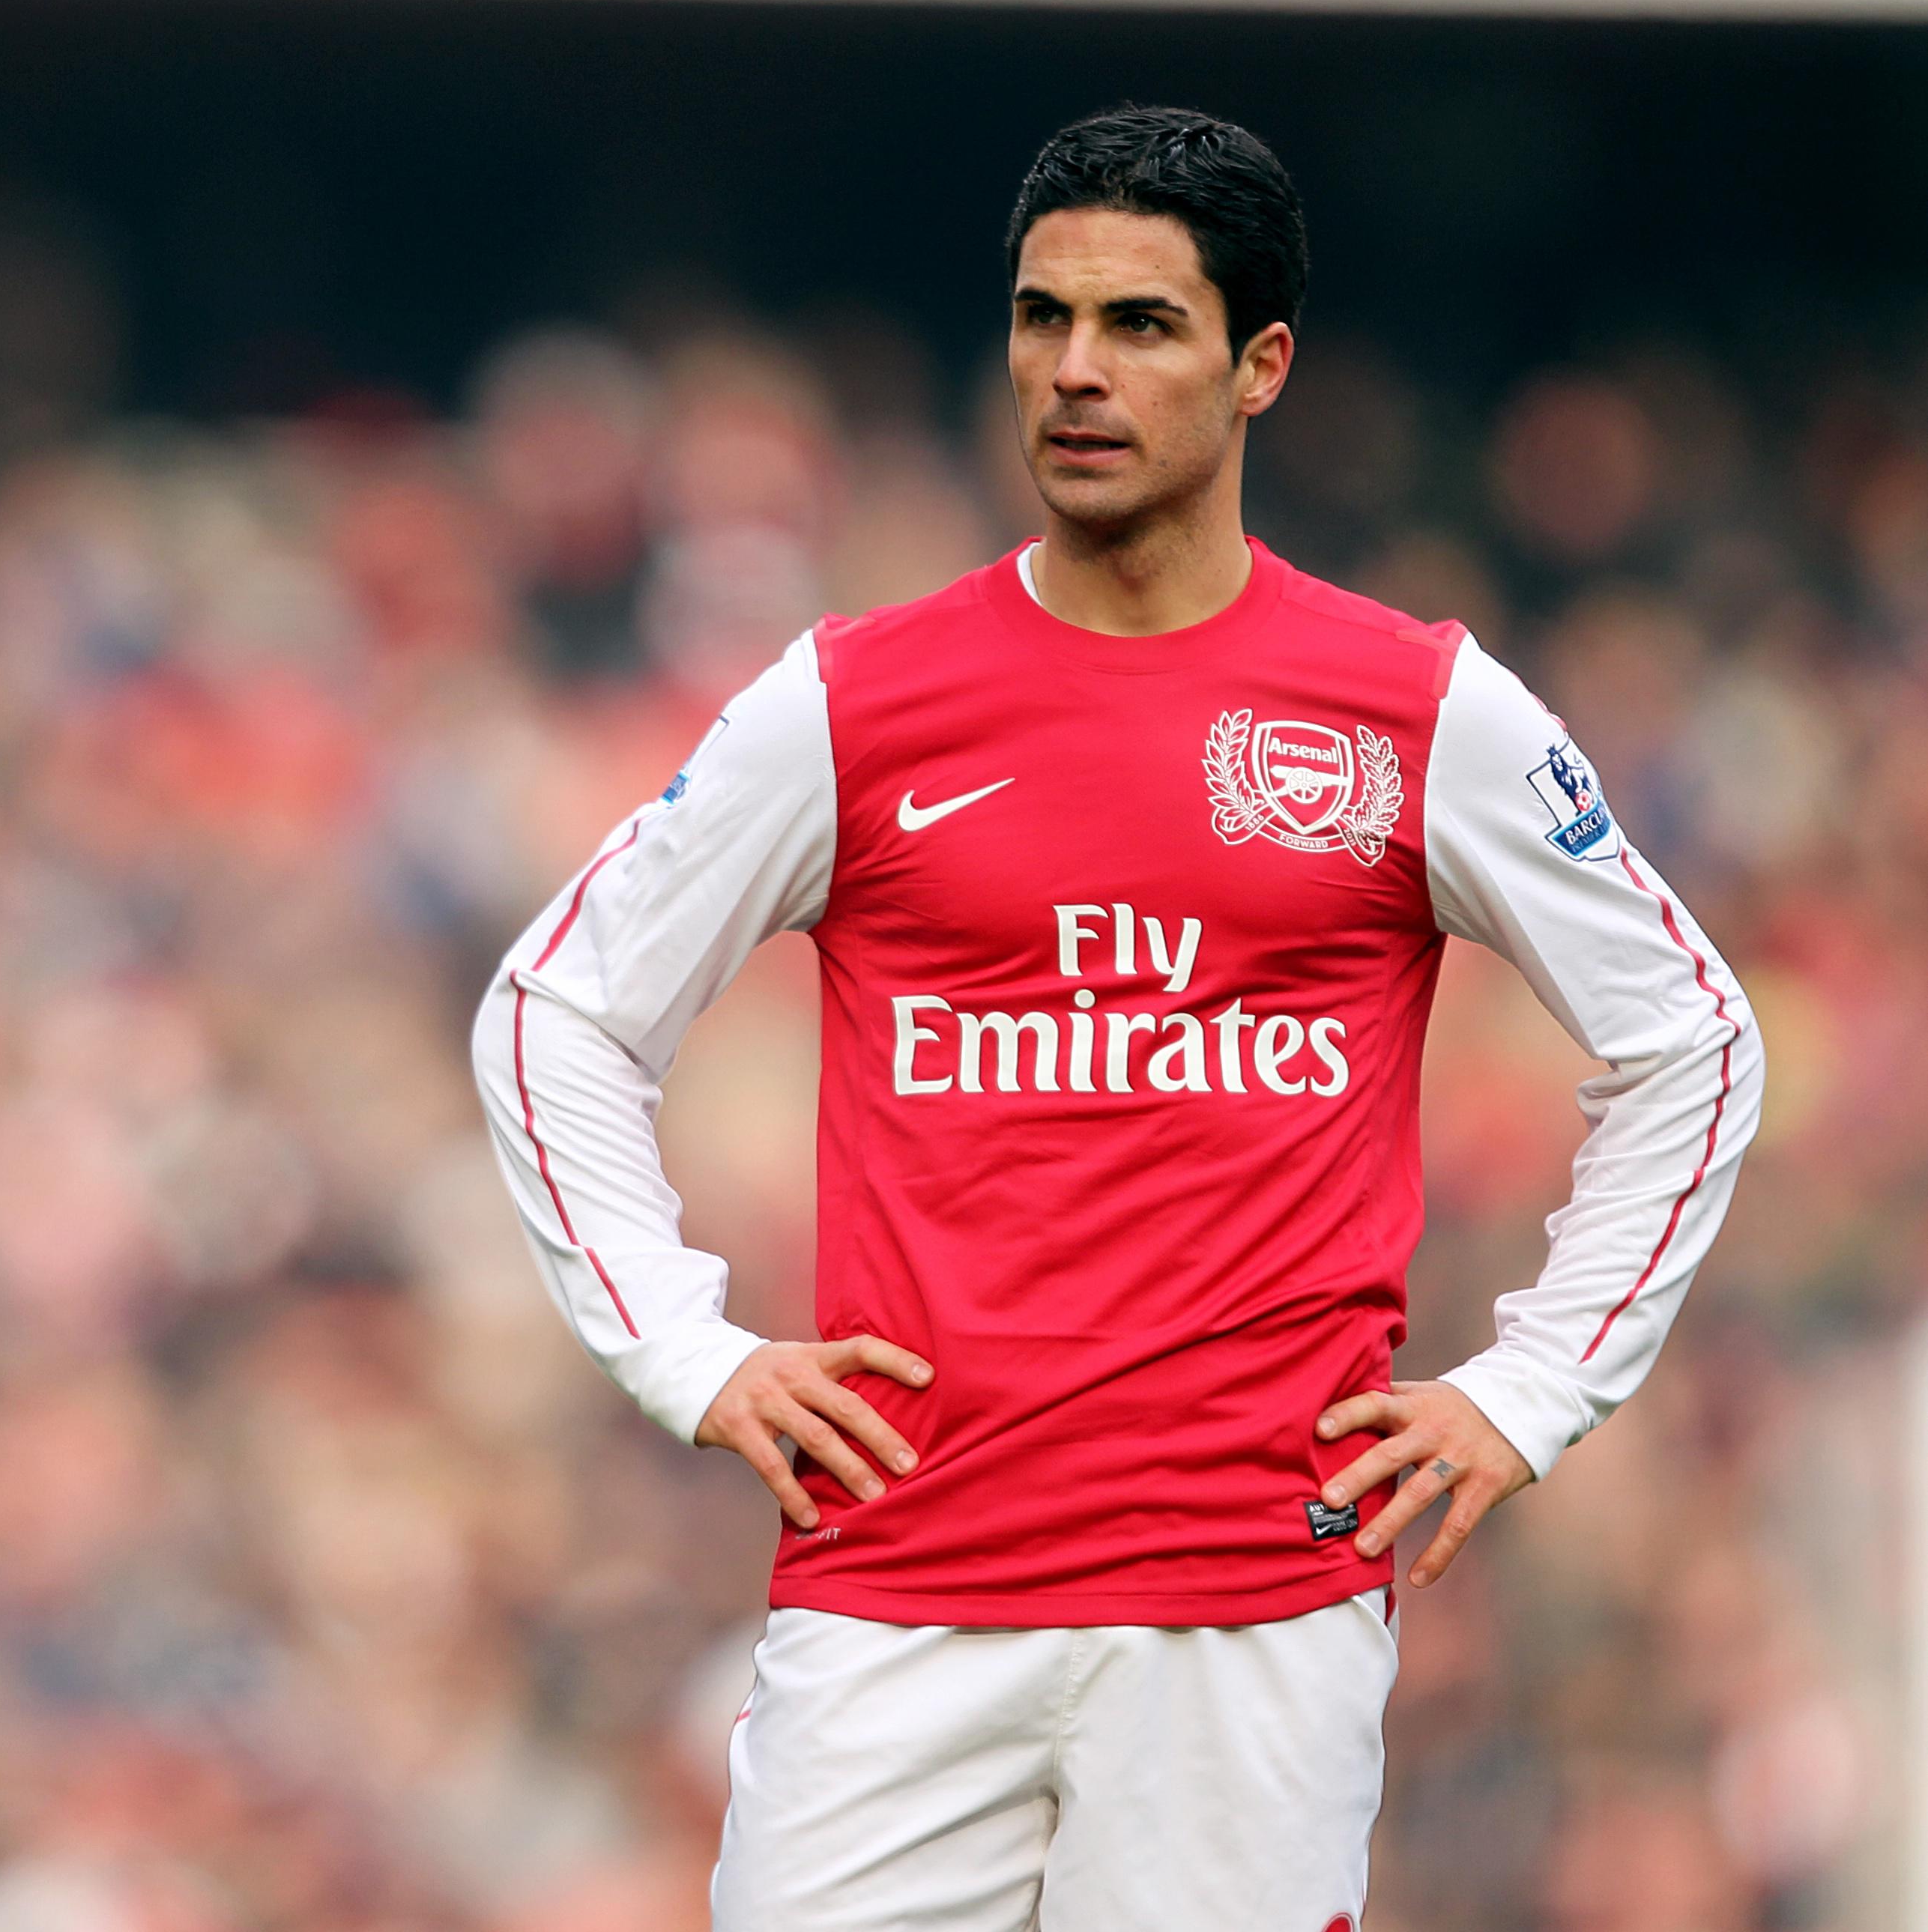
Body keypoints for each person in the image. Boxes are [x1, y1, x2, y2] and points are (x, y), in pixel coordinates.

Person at [467, 105, 1760, 1930]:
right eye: (1040, 318)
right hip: (897, 1587)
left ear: (1261, 366)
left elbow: (1694, 1039)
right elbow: (556, 1015)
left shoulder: (1417, 713)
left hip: (1253, 1608)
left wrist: (1534, 1383)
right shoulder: (852, 703)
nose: (1075, 370)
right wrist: (686, 1349)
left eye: (1141, 324)